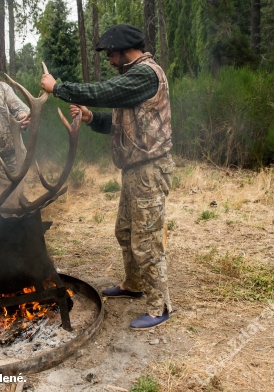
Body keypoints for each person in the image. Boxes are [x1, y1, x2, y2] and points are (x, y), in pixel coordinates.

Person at [40, 24, 174, 330]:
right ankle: (133, 284)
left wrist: (58, 87)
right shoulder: (131, 80)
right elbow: (119, 123)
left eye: (112, 54)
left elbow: (105, 92)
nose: (111, 61)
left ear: (126, 51)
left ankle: (159, 307)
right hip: (134, 170)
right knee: (125, 232)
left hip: (150, 171)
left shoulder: (145, 74)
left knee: (147, 241)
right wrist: (89, 118)